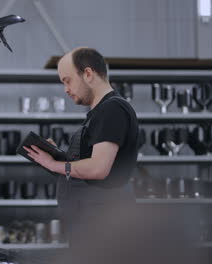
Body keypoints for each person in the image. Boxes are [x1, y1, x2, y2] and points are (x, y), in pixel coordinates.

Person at [23, 47, 139, 263]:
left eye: (67, 80)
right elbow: (89, 167)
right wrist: (55, 157)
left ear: (88, 74)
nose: (65, 89)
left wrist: (53, 164)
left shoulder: (112, 110)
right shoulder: (99, 113)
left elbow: (98, 168)